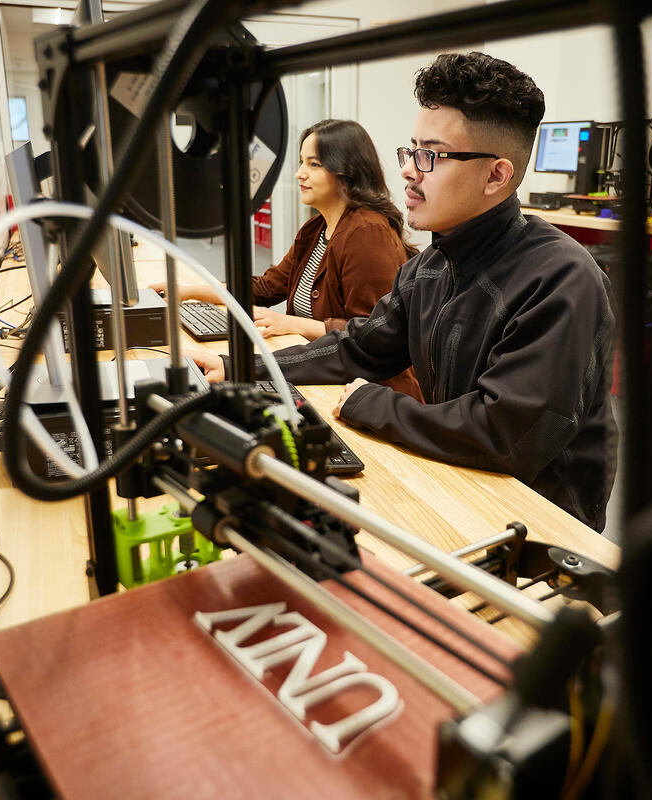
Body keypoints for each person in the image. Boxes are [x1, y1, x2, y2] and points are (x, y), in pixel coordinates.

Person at [191, 53, 617, 531]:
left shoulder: (561, 279)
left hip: (541, 523)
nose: (410, 171)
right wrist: (239, 369)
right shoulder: (430, 266)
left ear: (496, 176)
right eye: (412, 150)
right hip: (461, 483)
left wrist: (374, 403)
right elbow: (359, 348)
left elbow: (504, 435)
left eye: (431, 155)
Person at [153, 118, 421, 399]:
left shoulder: (367, 232)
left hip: (367, 392)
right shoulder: (316, 229)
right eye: (301, 162)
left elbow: (373, 335)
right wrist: (186, 291)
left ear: (346, 171)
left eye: (313, 164)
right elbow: (266, 288)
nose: (299, 174)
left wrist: (292, 323)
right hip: (320, 377)